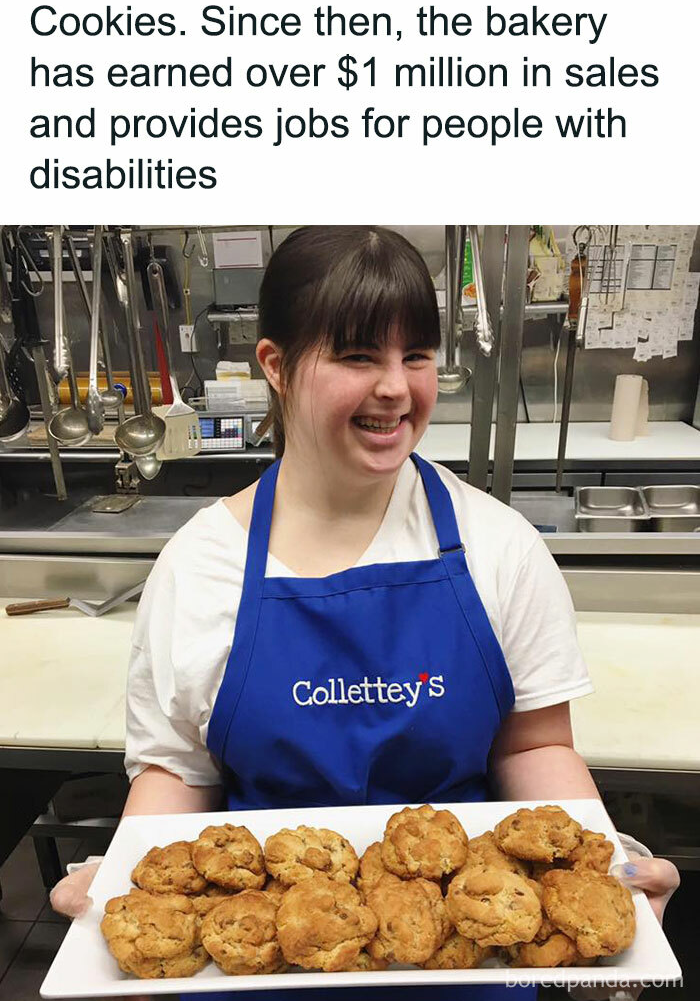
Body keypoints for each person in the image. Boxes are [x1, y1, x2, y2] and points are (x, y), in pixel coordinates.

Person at [52, 226, 679, 998]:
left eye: (415, 355)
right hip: (257, 961)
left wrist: (603, 876)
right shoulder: (199, 565)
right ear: (276, 366)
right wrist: (127, 882)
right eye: (358, 356)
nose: (396, 387)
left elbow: (533, 746)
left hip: (467, 958)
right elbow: (179, 769)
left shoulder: (498, 545)